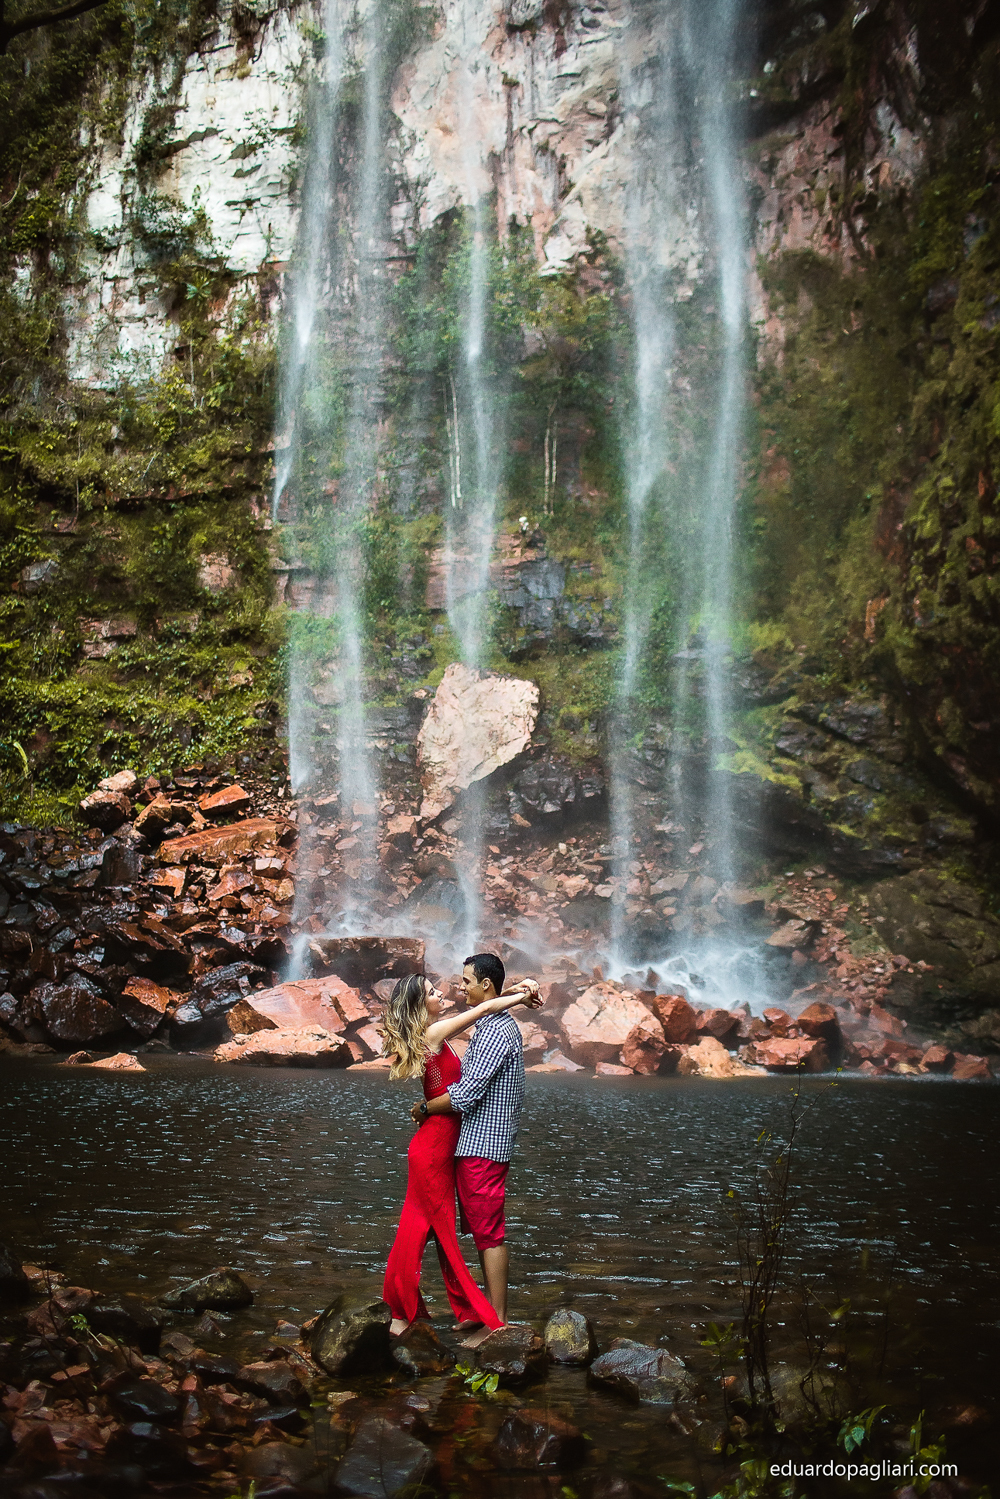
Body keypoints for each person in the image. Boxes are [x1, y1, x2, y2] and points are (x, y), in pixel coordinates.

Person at [381, 970, 540, 1338]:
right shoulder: (434, 1033)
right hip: (435, 1145)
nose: (442, 993)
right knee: (425, 1228)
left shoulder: (436, 1033)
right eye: (432, 992)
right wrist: (519, 997)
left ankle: (436, 1309)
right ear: (422, 1006)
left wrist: (518, 989)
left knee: (424, 1227)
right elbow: (484, 1010)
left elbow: (486, 1004)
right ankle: (409, 1313)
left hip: (440, 1141)